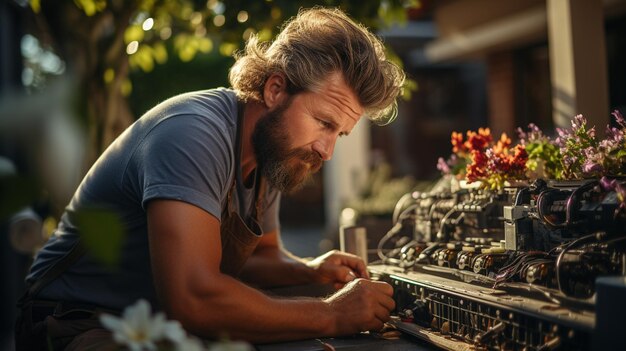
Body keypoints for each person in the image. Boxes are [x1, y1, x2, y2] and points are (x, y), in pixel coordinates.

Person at [16, 7, 405, 350]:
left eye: (339, 133)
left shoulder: (275, 152)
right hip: (75, 322)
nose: (327, 150)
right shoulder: (193, 133)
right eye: (323, 122)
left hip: (154, 323)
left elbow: (258, 260)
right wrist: (332, 314)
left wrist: (309, 270)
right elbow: (193, 297)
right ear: (275, 89)